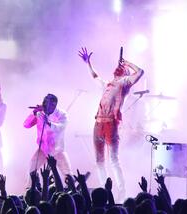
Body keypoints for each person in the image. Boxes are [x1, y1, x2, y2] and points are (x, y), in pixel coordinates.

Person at [78, 47, 144, 200]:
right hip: (98, 124)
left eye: (121, 68)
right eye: (118, 66)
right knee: (99, 160)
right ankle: (104, 192)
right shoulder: (108, 84)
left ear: (125, 72)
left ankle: (122, 193)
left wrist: (126, 63)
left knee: (113, 160)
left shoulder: (124, 83)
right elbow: (95, 77)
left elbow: (140, 72)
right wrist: (88, 63)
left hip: (111, 125)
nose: (117, 67)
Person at [24, 94, 72, 176]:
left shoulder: (62, 114)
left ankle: (72, 187)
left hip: (57, 149)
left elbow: (61, 127)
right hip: (43, 149)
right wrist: (34, 113)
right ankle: (30, 188)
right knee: (31, 169)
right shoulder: (39, 113)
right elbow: (26, 125)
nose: (45, 105)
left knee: (67, 172)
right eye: (44, 102)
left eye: (47, 103)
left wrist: (49, 123)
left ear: (54, 105)